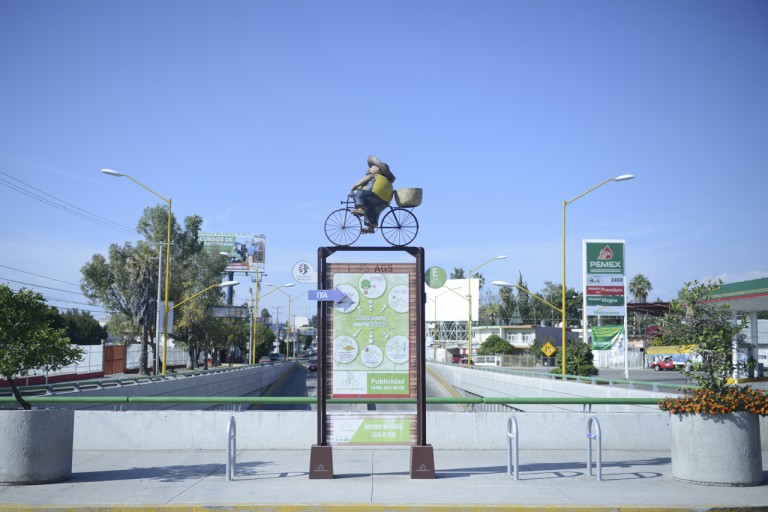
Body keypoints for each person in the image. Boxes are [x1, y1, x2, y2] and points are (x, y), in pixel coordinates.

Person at [349, 155, 396, 233]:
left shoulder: (375, 175)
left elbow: (362, 181)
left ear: (378, 169)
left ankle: (360, 209)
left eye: (371, 167)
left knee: (357, 193)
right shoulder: (388, 182)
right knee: (371, 212)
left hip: (374, 196)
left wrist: (354, 187)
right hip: (385, 202)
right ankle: (371, 227)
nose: (369, 169)